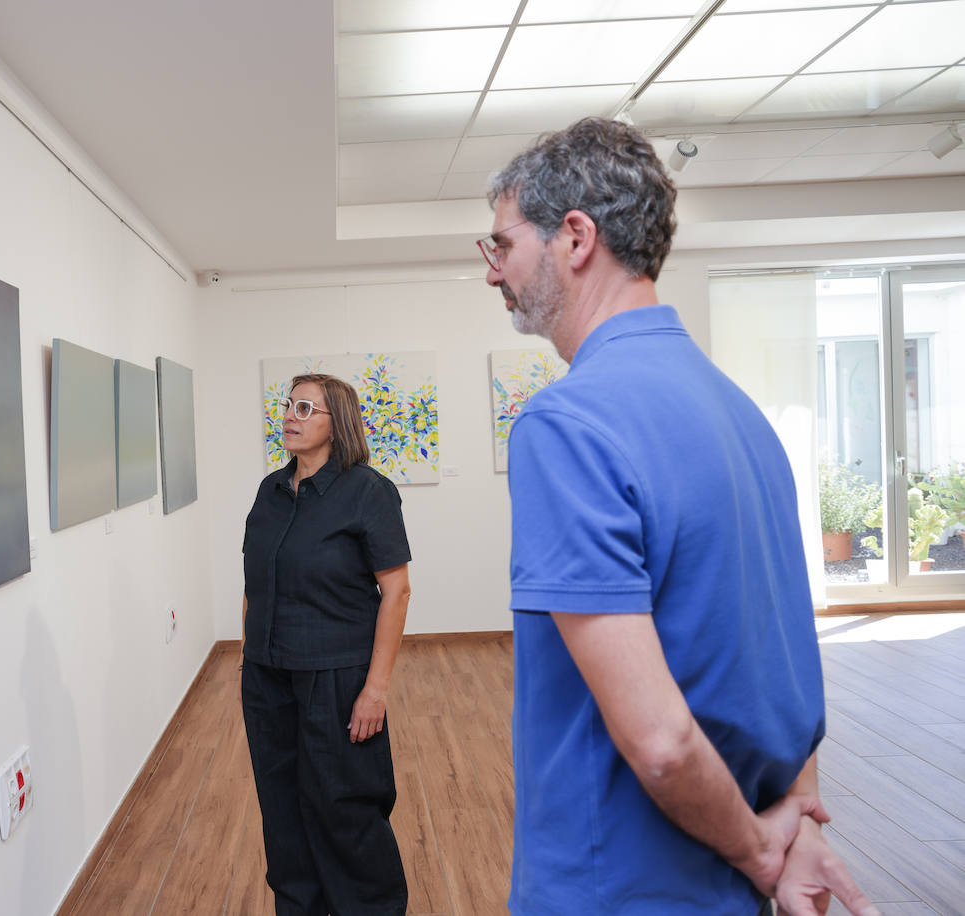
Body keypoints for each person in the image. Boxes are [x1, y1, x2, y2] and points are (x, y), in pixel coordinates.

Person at [481, 117, 879, 916]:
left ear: (575, 237)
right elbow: (780, 661)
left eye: (501, 245)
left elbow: (660, 744)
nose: (495, 273)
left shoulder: (568, 425)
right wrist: (792, 821)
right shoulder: (743, 418)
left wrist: (762, 849)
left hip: (620, 888)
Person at [240, 373, 413, 916]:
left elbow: (397, 591)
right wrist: (250, 658)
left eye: (306, 407)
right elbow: (254, 584)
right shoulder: (270, 491)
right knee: (282, 808)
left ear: (336, 423)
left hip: (336, 677)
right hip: (268, 677)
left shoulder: (368, 492)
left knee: (344, 808)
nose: (290, 415)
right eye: (288, 405)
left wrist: (375, 690)